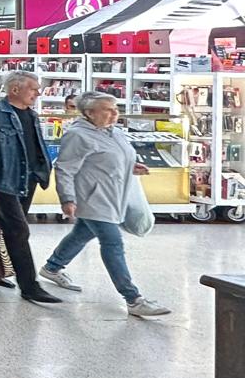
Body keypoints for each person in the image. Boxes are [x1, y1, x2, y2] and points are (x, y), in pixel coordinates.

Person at [40, 91, 171, 318]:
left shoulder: (114, 132)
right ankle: (133, 298)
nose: (114, 114)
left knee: (81, 233)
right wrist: (67, 199)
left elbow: (112, 158)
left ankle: (52, 267)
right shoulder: (78, 135)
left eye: (115, 109)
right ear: (89, 113)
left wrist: (131, 167)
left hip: (114, 195)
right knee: (113, 243)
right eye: (107, 110)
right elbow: (65, 168)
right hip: (93, 199)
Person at [0, 69, 62, 305]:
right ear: (15, 89)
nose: (38, 93)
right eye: (33, 88)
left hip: (27, 179)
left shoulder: (31, 115)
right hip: (3, 180)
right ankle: (29, 285)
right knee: (19, 231)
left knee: (3, 227)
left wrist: (42, 170)